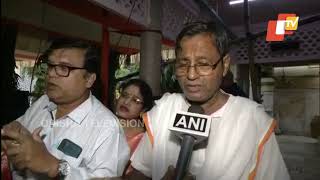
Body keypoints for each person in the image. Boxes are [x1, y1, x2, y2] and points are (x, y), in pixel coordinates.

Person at [125, 22, 290, 180]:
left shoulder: (253, 121)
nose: (191, 75)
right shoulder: (164, 110)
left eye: (203, 64)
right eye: (183, 65)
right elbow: (140, 172)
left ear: (224, 65)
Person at [1, 39, 130, 179]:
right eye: (50, 66)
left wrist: (54, 166)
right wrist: (10, 135)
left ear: (89, 79)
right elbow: (17, 128)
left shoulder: (107, 128)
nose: (51, 74)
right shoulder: (43, 103)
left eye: (64, 68)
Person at [115, 79, 154, 174]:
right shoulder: (102, 121)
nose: (126, 102)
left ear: (144, 109)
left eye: (136, 100)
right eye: (124, 95)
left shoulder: (144, 139)